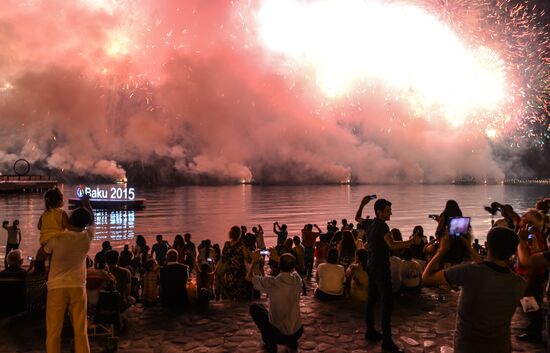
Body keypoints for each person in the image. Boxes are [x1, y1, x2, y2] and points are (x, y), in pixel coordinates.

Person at [423, 227, 524, 353]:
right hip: (501, 347)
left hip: (468, 346)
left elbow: (427, 278)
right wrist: (470, 249)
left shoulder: (468, 272)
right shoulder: (519, 283)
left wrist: (442, 250)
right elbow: (491, 269)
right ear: (514, 251)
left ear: (487, 246)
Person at [355, 196, 413, 353]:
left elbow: (357, 218)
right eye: (388, 210)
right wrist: (410, 242)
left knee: (372, 301)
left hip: (371, 267)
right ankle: (387, 342)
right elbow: (392, 245)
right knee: (388, 304)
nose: (391, 213)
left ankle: (370, 331)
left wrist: (362, 203)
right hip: (381, 269)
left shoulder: (369, 223)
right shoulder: (382, 227)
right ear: (379, 212)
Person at [37, 195, 95, 353]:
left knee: (54, 331)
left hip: (56, 287)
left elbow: (41, 254)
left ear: (69, 220)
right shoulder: (86, 238)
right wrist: (87, 204)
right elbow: (92, 221)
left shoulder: (57, 239)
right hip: (78, 286)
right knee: (80, 330)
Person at [247, 251, 303, 353]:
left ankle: (270, 343)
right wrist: (279, 259)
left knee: (255, 308)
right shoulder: (298, 280)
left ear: (279, 265)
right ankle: (292, 341)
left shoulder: (272, 283)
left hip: (279, 335)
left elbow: (249, 278)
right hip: (297, 332)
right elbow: (294, 270)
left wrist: (254, 262)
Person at [221, 226, 250, 300]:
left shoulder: (227, 244)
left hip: (230, 272)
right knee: (240, 293)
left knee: (230, 292)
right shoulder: (241, 245)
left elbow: (224, 258)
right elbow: (248, 259)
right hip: (239, 272)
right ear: (239, 234)